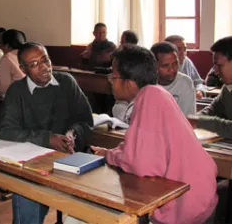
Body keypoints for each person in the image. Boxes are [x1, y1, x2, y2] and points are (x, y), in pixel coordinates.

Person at [66, 45, 217, 224]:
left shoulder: (149, 99)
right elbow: (138, 145)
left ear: (129, 83)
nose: (109, 81)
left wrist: (109, 156)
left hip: (186, 203)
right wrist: (110, 152)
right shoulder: (157, 93)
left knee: (82, 216)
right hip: (199, 193)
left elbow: (140, 164)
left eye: (113, 77)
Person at [0, 42, 93, 224]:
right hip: (34, 162)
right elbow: (7, 130)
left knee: (92, 205)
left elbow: (85, 120)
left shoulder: (66, 82)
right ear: (23, 69)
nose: (43, 67)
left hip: (71, 156)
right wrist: (46, 138)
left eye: (45, 59)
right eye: (34, 64)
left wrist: (73, 134)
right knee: (27, 195)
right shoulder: (17, 91)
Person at [189, 36, 232, 138]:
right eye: (214, 66)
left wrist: (199, 122)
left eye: (219, 65)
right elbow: (212, 109)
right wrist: (193, 119)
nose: (215, 71)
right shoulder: (227, 89)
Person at [150, 41, 196, 115]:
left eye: (175, 64)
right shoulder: (147, 83)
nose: (172, 69)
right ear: (154, 66)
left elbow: (187, 118)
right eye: (165, 65)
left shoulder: (185, 83)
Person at [0, 29, 26, 94]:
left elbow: (3, 88)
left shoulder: (7, 58)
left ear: (7, 46)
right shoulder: (27, 54)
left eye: (1, 45)